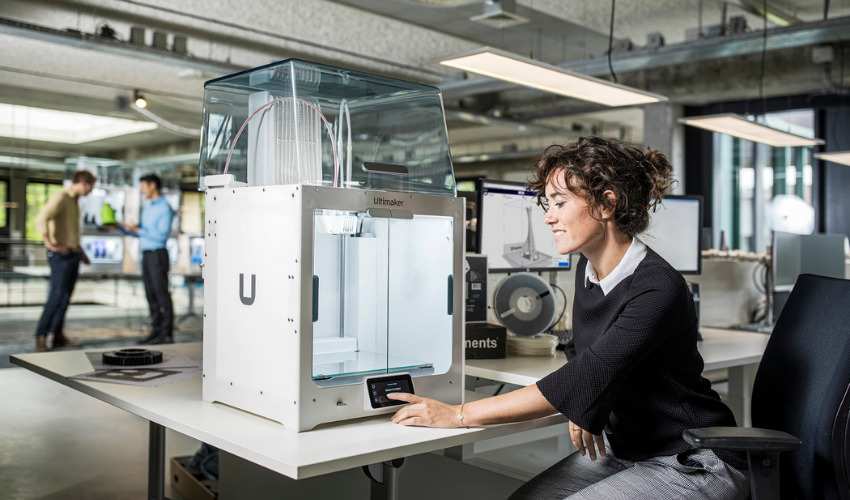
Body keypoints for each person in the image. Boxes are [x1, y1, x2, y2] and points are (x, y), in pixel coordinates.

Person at [389, 137, 749, 499]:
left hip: (691, 457)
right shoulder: (588, 269)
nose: (549, 216)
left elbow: (588, 372)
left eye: (560, 202)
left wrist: (460, 414)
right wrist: (592, 401)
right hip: (627, 448)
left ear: (607, 204)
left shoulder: (658, 286)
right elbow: (582, 352)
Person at [34, 170, 96, 352]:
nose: (91, 190)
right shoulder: (61, 197)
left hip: (73, 254)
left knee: (65, 298)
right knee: (56, 297)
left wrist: (81, 252)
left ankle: (58, 336)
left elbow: (70, 231)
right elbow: (41, 218)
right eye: (91, 186)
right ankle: (41, 336)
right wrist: (50, 244)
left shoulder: (75, 201)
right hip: (61, 256)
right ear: (83, 182)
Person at [121, 173, 175, 345]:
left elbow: (160, 235)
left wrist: (139, 230)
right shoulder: (149, 207)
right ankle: (155, 330)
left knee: (161, 294)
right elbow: (143, 232)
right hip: (146, 254)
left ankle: (166, 333)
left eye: (143, 186)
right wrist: (127, 229)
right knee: (150, 294)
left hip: (158, 254)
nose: (142, 190)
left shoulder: (164, 208)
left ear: (153, 186)